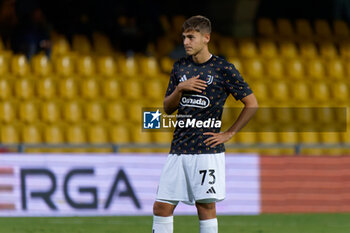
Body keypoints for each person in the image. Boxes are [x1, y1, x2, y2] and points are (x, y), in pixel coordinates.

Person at [152, 15, 258, 233]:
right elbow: (167, 108)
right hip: (179, 149)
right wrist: (180, 88)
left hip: (207, 150)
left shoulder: (223, 68)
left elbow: (252, 104)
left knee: (205, 206)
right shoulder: (180, 67)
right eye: (184, 37)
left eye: (191, 37)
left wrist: (229, 133)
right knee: (161, 206)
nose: (186, 42)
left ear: (206, 38)